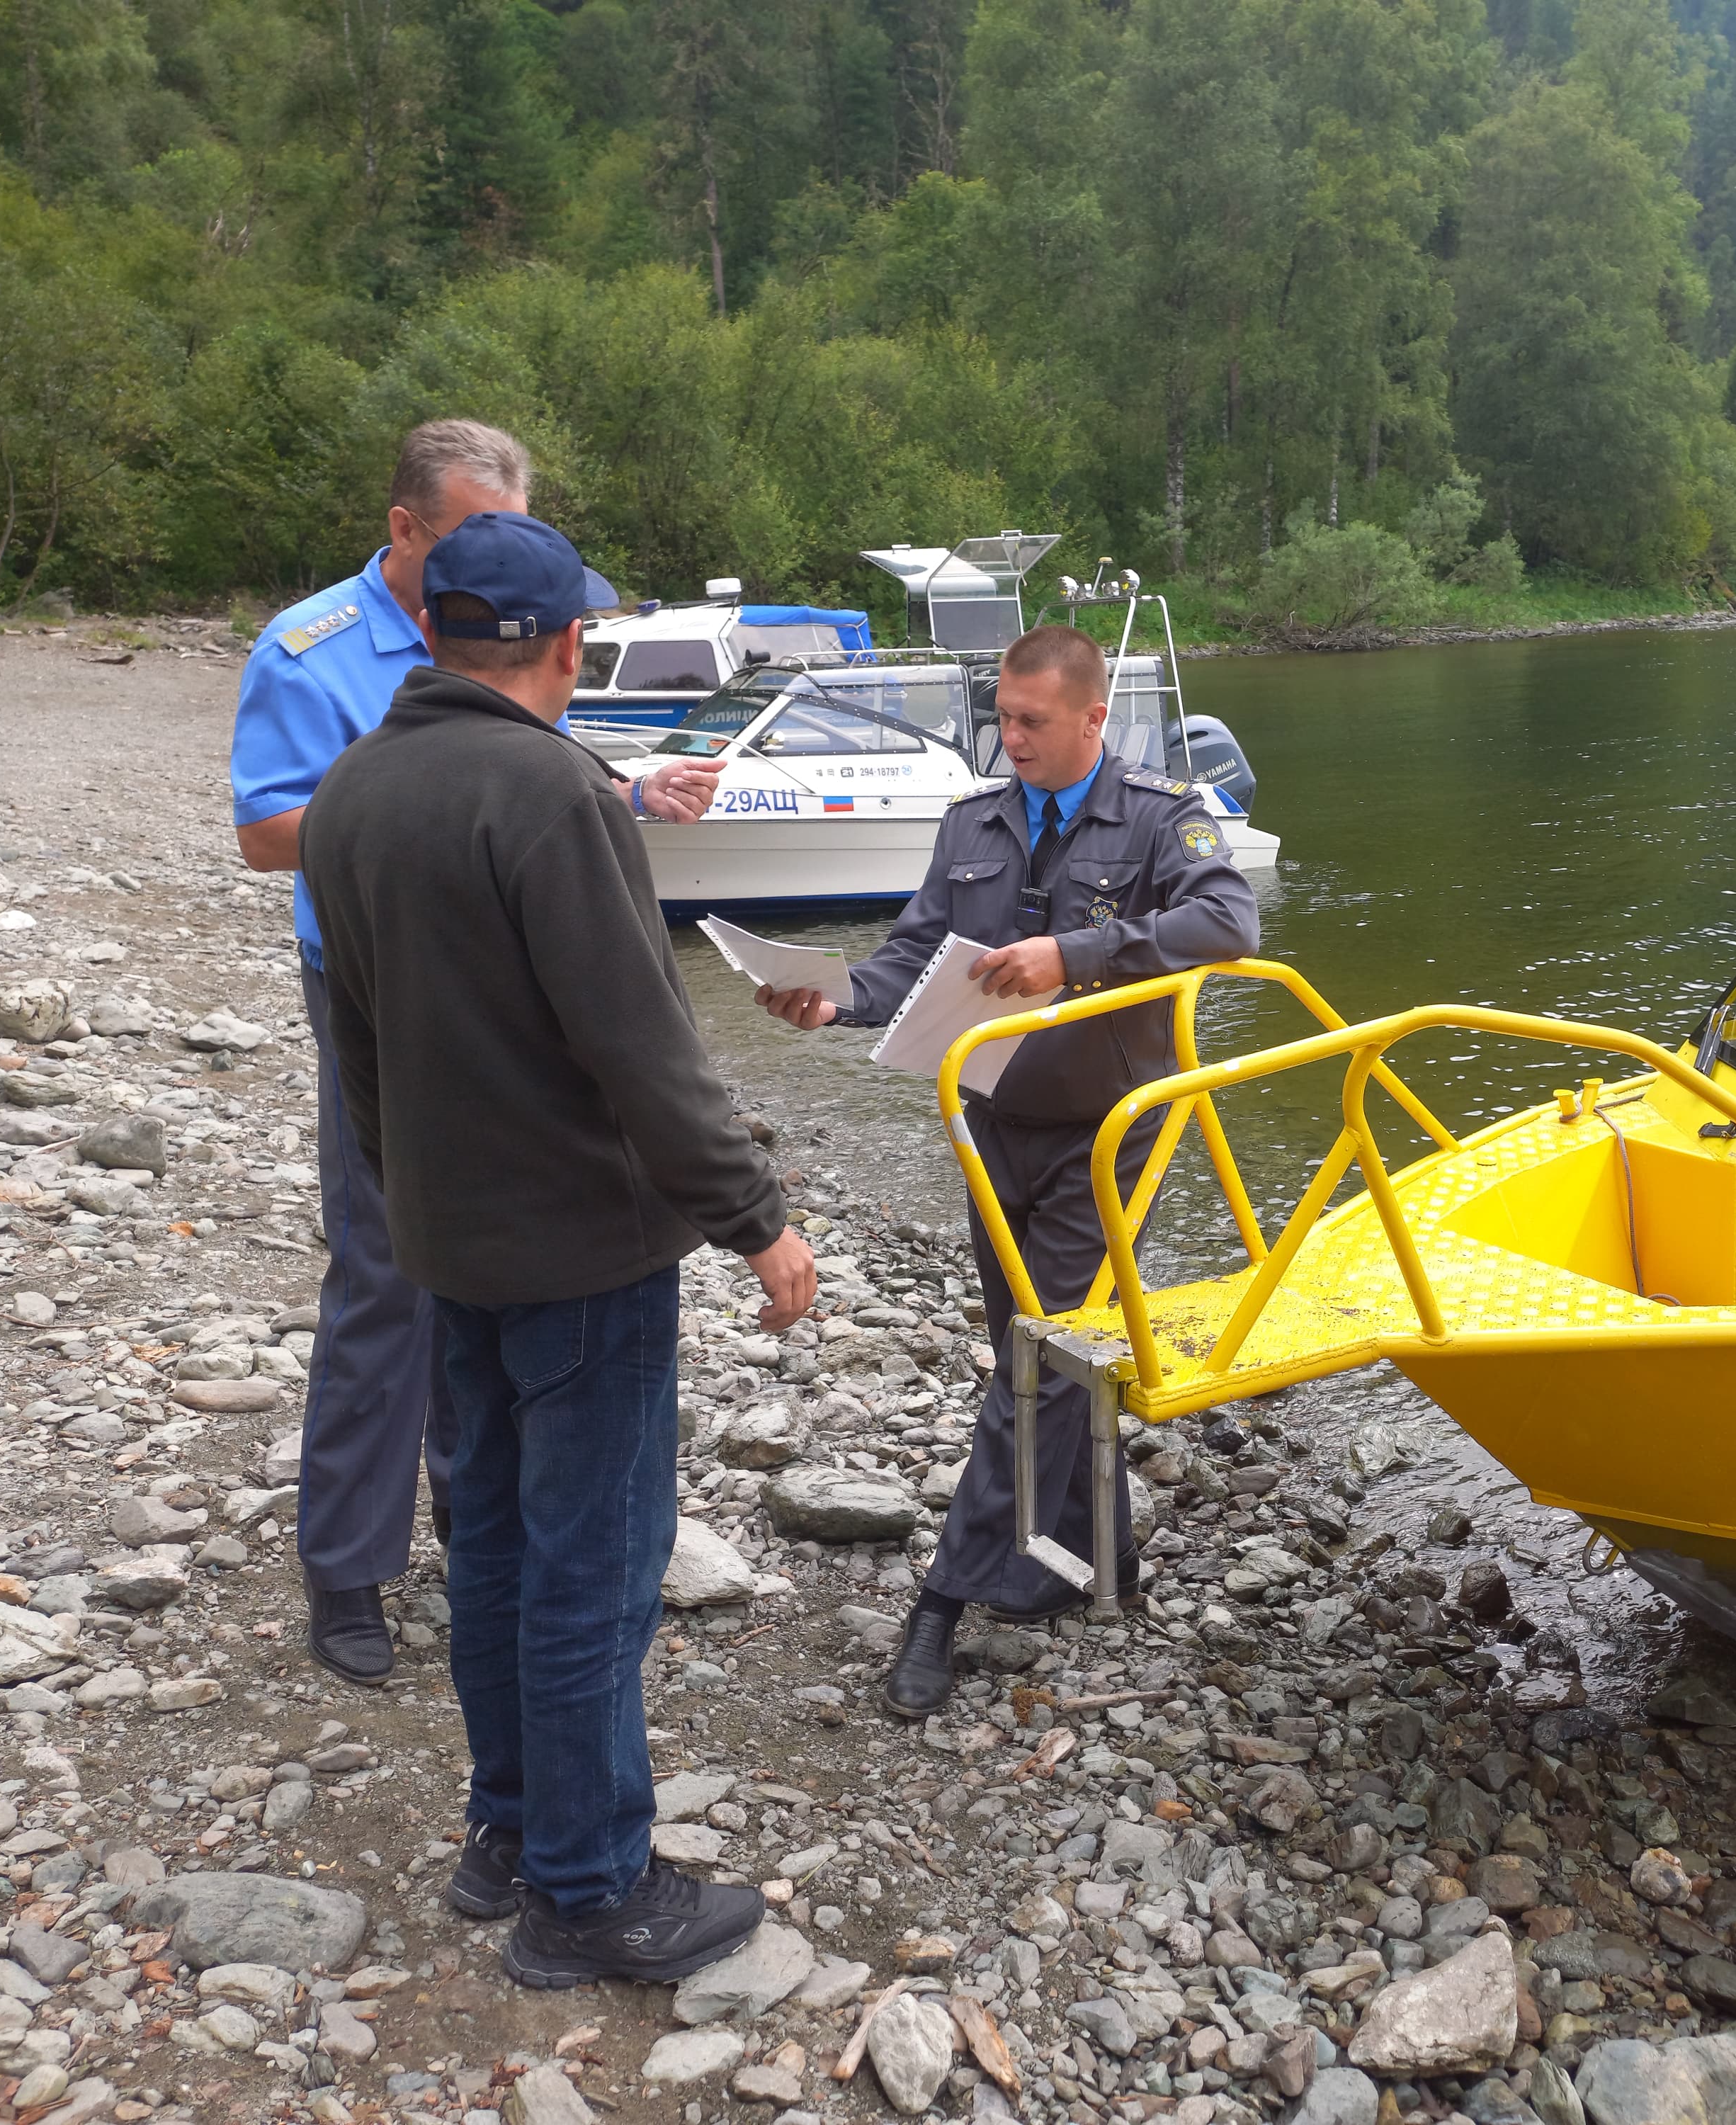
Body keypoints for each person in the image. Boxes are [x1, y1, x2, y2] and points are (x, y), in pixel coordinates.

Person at [300, 509, 817, 1988]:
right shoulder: (552, 792)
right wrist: (756, 1220)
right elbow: (639, 1044)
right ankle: (589, 1894)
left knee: (503, 1553)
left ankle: (511, 1832)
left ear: (434, 627)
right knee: (593, 1564)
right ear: (564, 645)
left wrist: (414, 1208)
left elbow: (360, 1052)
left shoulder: (353, 791)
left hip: (450, 1245)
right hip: (584, 1255)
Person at [229, 419, 722, 1689]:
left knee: (486, 1267)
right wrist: (410, 811)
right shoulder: (312, 647)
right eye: (462, 534)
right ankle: (346, 1567)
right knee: (386, 1263)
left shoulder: (503, 633)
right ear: (403, 531)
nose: (487, 555)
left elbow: (525, 786)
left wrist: (630, 794)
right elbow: (268, 827)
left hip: (507, 981)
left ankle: (474, 1527)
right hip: (381, 982)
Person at [754, 624, 1258, 1718]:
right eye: (1003, 719)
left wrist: (1075, 956)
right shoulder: (971, 822)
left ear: (1093, 720)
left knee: (1040, 1358)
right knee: (1033, 1359)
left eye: (1033, 722)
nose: (1012, 740)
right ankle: (1089, 1557)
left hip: (1112, 1130)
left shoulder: (1166, 815)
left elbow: (1229, 921)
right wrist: (835, 995)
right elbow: (914, 954)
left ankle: (946, 1595)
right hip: (991, 1124)